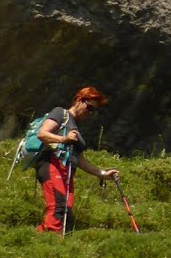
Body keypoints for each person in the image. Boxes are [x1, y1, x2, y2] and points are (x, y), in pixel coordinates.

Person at [35, 86, 119, 234]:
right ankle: (51, 239)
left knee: (66, 205)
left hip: (66, 169)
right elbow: (42, 134)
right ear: (80, 100)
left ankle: (42, 235)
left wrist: (102, 174)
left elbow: (80, 160)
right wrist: (64, 139)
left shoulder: (75, 128)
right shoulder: (60, 113)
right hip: (51, 163)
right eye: (89, 108)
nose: (90, 113)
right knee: (58, 203)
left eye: (93, 111)